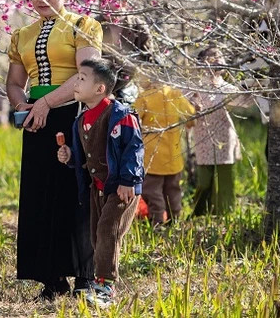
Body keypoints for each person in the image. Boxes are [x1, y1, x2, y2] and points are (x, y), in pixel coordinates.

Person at [6, 0, 102, 300]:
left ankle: (86, 278)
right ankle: (51, 278)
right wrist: (25, 106)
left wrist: (46, 101)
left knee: (76, 193)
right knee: (40, 193)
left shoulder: (83, 25)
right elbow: (14, 81)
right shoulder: (22, 34)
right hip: (35, 118)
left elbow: (85, 75)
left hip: (73, 115)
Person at [58, 59, 144, 308]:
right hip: (98, 188)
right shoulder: (81, 120)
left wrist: (128, 180)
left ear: (100, 89)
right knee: (98, 236)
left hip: (121, 188)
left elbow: (134, 148)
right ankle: (100, 281)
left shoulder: (121, 116)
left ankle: (106, 286)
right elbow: (84, 156)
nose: (76, 82)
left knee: (108, 230)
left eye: (82, 78)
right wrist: (70, 157)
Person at [188, 47, 253, 216]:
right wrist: (192, 106)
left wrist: (252, 86)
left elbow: (244, 103)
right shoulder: (194, 86)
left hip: (225, 135)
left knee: (225, 179)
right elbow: (181, 104)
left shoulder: (225, 87)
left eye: (221, 57)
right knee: (204, 180)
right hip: (203, 137)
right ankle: (200, 214)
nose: (219, 60)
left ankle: (225, 215)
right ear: (202, 63)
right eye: (213, 57)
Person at [132, 76, 195, 224]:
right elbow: (191, 118)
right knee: (173, 191)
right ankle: (176, 221)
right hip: (174, 157)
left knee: (153, 193)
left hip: (152, 157)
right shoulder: (175, 94)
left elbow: (134, 121)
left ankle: (158, 222)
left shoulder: (144, 97)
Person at [96, 0, 152, 103]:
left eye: (110, 0)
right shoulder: (93, 26)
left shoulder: (138, 27)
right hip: (98, 91)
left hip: (130, 91)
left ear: (124, 2)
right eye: (101, 0)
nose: (104, 5)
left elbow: (148, 63)